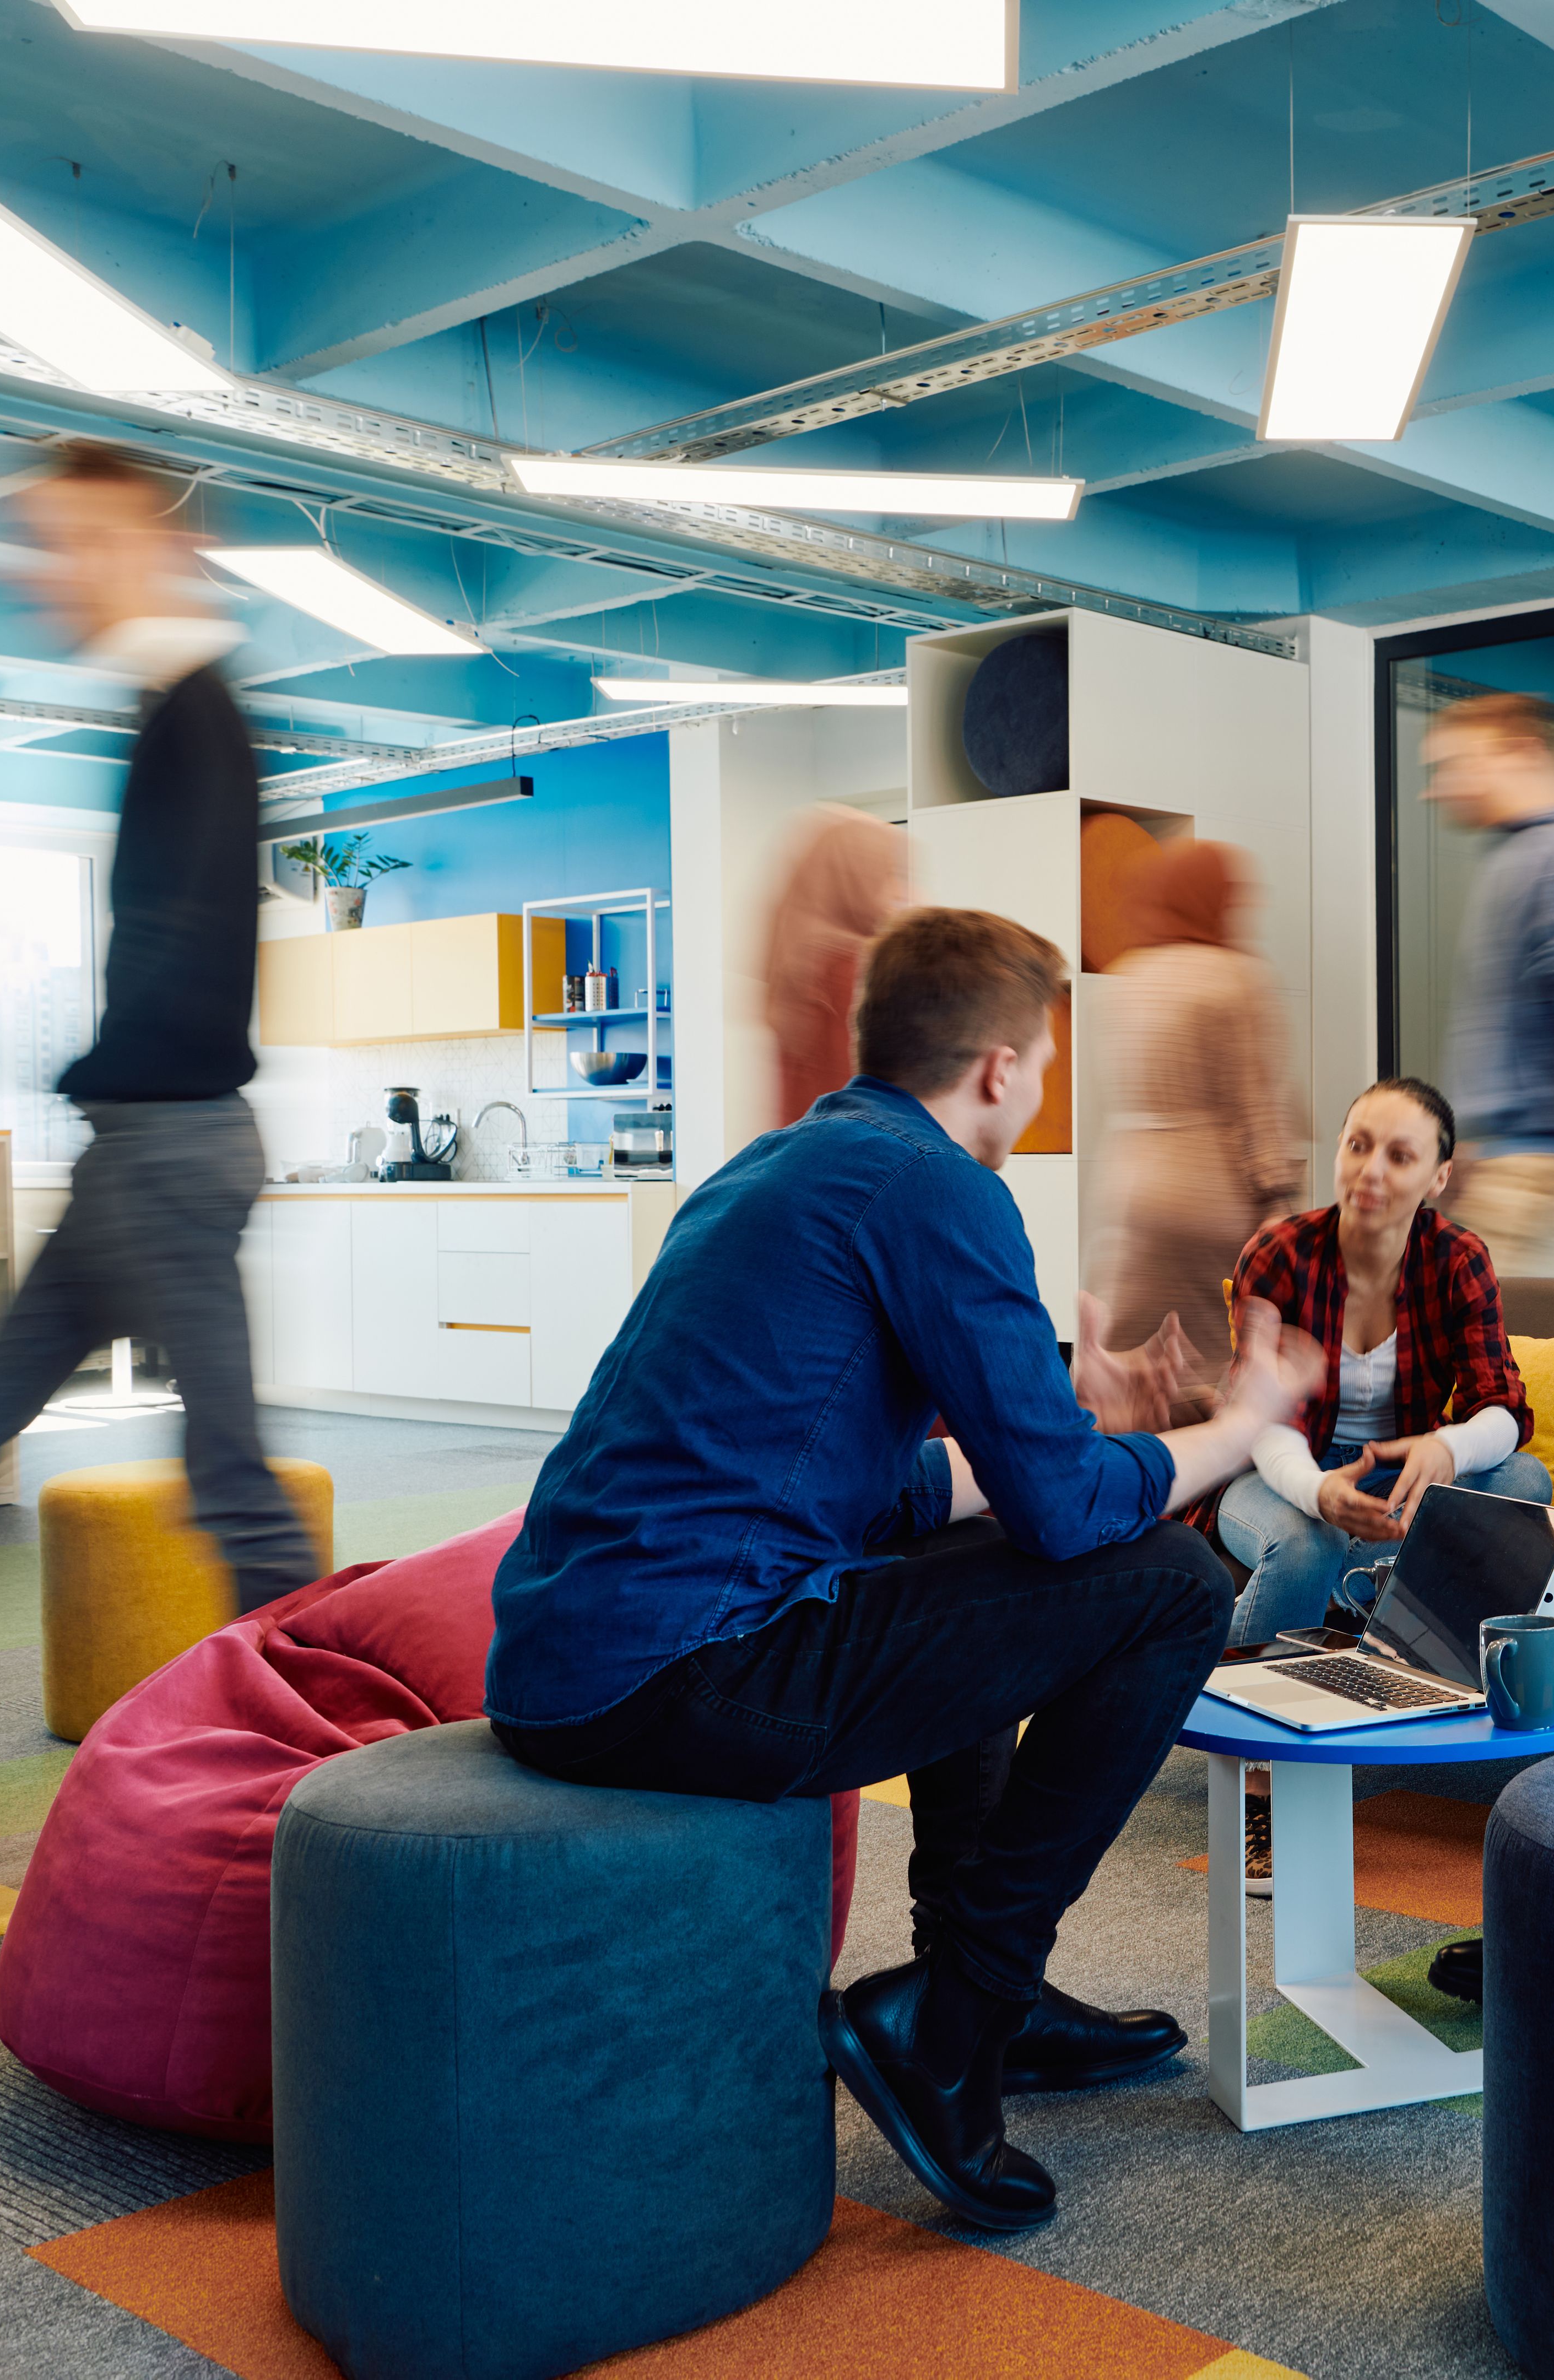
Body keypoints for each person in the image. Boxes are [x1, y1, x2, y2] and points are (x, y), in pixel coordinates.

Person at [486, 907, 1312, 2236]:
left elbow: (896, 1483)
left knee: (977, 1549)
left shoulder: (785, 1167)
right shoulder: (939, 1187)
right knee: (1171, 1585)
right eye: (1041, 1061)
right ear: (997, 1067)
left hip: (569, 1660)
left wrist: (1103, 1431)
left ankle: (981, 1998)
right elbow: (1060, 1512)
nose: (1039, 1087)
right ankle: (955, 2015)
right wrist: (1236, 1424)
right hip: (681, 1670)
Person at [0, 443, 318, 1611]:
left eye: (86, 542)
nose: (58, 571)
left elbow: (189, 942)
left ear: (170, 544)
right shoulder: (170, 708)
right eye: (49, 546)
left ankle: (309, 1735)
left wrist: (106, 1064)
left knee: (232, 1476)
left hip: (174, 1139)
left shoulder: (199, 714)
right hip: (138, 1138)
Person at [1215, 1078, 1550, 1649]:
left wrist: (1447, 1448)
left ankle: (1364, 1601)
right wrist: (1319, 1493)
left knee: (1525, 1481)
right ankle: (1239, 1708)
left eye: (1400, 1156)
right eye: (1358, 1146)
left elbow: (1503, 1406)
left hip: (1397, 1476)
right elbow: (1264, 1420)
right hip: (1272, 1468)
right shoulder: (1279, 1254)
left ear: (1439, 1176)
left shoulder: (1458, 1259)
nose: (1371, 1171)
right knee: (1307, 1543)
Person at [1419, 691, 1554, 1277]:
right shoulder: (1522, 852)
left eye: (1452, 765)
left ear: (1521, 752)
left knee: (1521, 1355)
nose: (1435, 788)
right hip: (1520, 1159)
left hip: (1548, 1170)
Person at [1091, 840, 1305, 1383]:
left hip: (1130, 1192)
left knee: (1125, 1359)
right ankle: (1208, 1462)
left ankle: (1114, 1463)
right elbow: (1256, 1106)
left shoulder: (1128, 977)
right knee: (1215, 1361)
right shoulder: (1234, 979)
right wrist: (1281, 1200)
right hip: (1210, 1198)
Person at [762, 805, 910, 1129]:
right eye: (887, 873)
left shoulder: (797, 960)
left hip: (798, 1157)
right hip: (857, 1154)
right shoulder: (851, 968)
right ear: (855, 876)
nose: (901, 891)